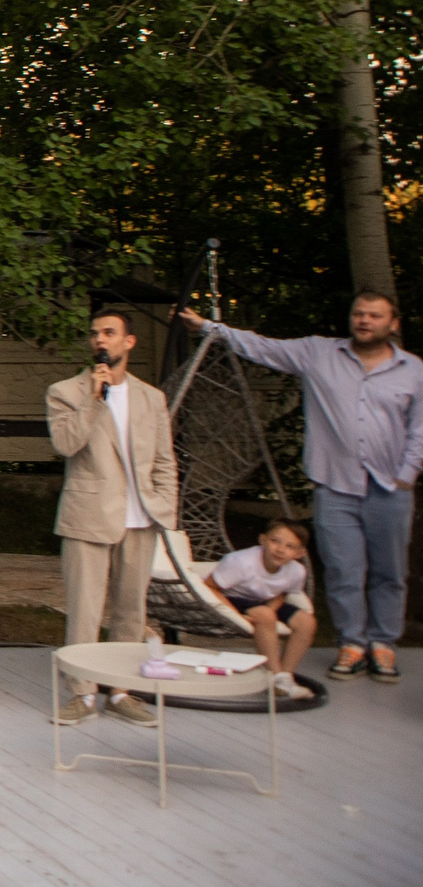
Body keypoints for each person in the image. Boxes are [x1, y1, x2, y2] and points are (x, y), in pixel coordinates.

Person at [177, 293, 419, 683]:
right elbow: (262, 347)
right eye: (358, 313)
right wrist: (210, 328)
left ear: (393, 323)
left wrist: (407, 474)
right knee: (343, 570)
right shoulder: (318, 353)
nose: (364, 320)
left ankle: (384, 645)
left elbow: (420, 429)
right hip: (335, 486)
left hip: (390, 488)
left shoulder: (413, 370)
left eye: (375, 315)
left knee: (390, 572)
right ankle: (352, 644)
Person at [46, 307, 179, 727]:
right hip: (89, 514)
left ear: (128, 342)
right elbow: (66, 444)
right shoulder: (66, 391)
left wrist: (164, 507)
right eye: (94, 334)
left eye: (109, 333)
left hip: (141, 517)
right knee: (84, 609)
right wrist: (93, 400)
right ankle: (83, 695)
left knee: (130, 612)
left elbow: (164, 460)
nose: (100, 340)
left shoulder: (151, 397)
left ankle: (121, 691)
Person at [199, 519, 319, 700]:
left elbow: (283, 593)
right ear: (262, 540)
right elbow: (210, 586)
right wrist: (234, 614)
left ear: (299, 553)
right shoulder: (241, 561)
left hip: (264, 600)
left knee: (307, 622)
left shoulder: (297, 571)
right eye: (275, 541)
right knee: (264, 614)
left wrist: (273, 607)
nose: (280, 549)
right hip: (233, 597)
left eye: (290, 546)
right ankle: (275, 675)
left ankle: (286, 675)